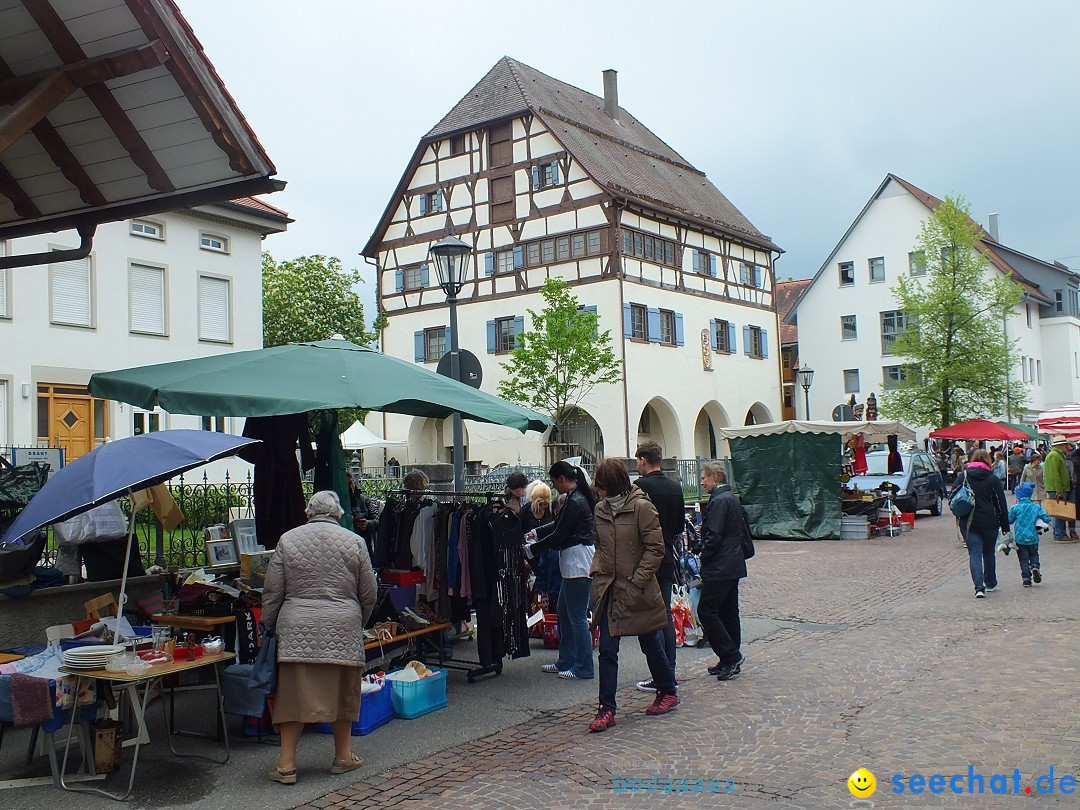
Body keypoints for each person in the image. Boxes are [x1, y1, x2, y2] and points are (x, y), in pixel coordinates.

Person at [261, 491, 378, 784]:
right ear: (338, 515)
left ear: (308, 512)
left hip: (297, 628)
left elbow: (273, 591)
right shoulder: (355, 542)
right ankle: (343, 757)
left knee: (292, 699)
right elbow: (369, 593)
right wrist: (357, 621)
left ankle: (286, 765)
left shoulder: (288, 540)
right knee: (343, 695)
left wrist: (268, 624)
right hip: (343, 626)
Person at [587, 458, 677, 732]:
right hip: (610, 590)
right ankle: (606, 708)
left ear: (611, 483)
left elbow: (655, 549)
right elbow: (600, 545)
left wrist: (637, 581)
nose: (597, 489)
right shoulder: (600, 509)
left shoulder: (641, 507)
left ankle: (667, 689)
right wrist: (599, 570)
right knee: (607, 649)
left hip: (637, 590)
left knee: (650, 641)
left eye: (601, 484)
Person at [528, 461, 595, 681]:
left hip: (577, 563)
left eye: (555, 482)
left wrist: (531, 550)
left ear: (562, 479)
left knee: (575, 617)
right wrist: (536, 534)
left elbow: (559, 533)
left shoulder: (575, 501)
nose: (554, 487)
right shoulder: (575, 498)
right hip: (573, 562)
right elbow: (558, 526)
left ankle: (583, 666)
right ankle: (567, 660)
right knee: (565, 613)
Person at [632, 440, 683, 692]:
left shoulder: (640, 487)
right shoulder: (675, 487)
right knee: (664, 614)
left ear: (643, 459)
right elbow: (678, 528)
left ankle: (661, 674)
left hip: (645, 558)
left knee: (652, 619)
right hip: (666, 557)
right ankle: (669, 669)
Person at [698, 461, 748, 680]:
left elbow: (714, 535)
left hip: (720, 565)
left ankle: (731, 655)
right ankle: (729, 657)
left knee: (707, 610)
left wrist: (704, 556)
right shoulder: (731, 498)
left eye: (704, 478)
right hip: (733, 563)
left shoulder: (719, 501)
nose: (702, 482)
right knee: (728, 612)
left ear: (715, 478)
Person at [963, 449, 1010, 598]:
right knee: (988, 553)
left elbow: (953, 496)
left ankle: (979, 587)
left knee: (974, 554)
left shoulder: (965, 476)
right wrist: (1005, 527)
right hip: (990, 520)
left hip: (970, 520)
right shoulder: (992, 479)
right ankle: (990, 582)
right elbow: (1001, 504)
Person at [521, 481, 560, 610]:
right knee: (534, 593)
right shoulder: (525, 511)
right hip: (530, 556)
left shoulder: (551, 511)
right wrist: (524, 558)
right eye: (541, 504)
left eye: (545, 504)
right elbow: (519, 535)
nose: (543, 507)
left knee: (549, 590)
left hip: (547, 556)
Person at [1008, 482, 1048, 587]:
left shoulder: (1015, 508)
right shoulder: (1036, 507)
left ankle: (1026, 578)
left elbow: (1010, 520)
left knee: (1023, 558)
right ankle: (1035, 566)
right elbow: (1046, 518)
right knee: (1034, 554)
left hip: (1020, 538)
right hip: (1033, 537)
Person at [1044, 437, 1072, 543]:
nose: (1067, 447)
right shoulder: (1054, 456)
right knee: (1058, 512)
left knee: (1060, 512)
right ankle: (1059, 534)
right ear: (1060, 446)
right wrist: (1059, 490)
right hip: (1056, 489)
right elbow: (1055, 474)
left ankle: (1060, 533)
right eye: (1065, 445)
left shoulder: (1057, 455)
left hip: (1058, 488)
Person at [347, 473, 380, 552]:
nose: (351, 487)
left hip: (363, 543)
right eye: (347, 484)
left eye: (351, 483)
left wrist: (366, 523)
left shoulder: (364, 500)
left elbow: (377, 521)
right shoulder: (338, 502)